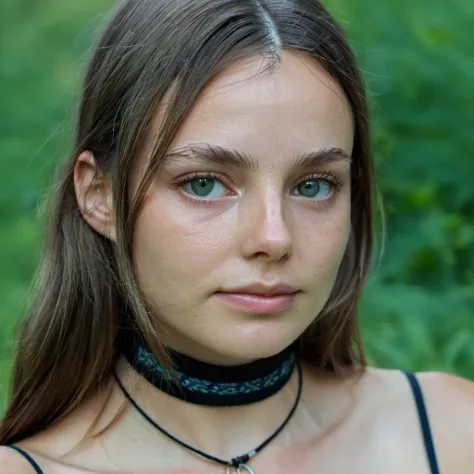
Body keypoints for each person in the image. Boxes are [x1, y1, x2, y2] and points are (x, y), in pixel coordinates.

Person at [1, 0, 473, 472]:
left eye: (313, 186)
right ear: (99, 195)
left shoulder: (450, 433)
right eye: (204, 184)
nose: (274, 237)